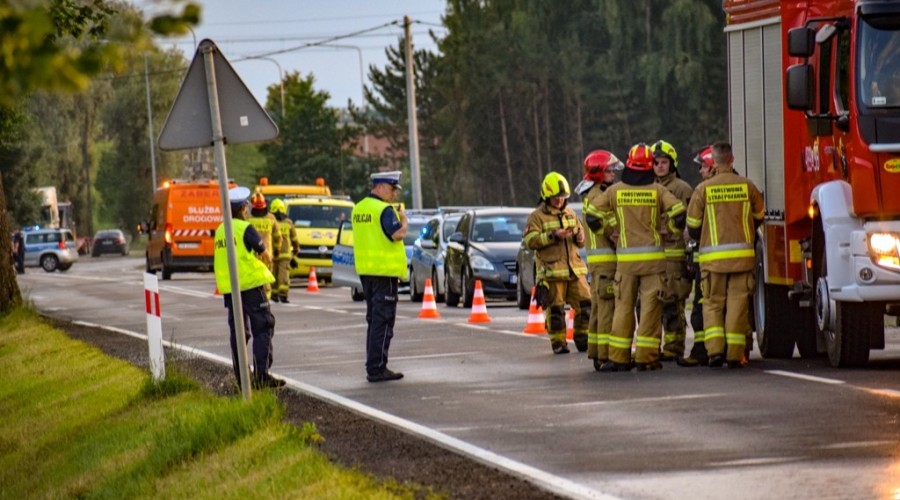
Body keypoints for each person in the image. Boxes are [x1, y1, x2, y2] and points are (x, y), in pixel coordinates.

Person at [590, 143, 686, 372]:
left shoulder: (615, 191)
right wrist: (669, 230)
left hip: (625, 264)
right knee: (651, 311)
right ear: (649, 166)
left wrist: (610, 230)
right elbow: (679, 213)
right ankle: (646, 358)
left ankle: (618, 359)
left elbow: (592, 214)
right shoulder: (658, 190)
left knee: (623, 310)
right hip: (654, 263)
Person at [686, 142, 765, 368]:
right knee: (738, 306)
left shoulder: (703, 189)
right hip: (742, 258)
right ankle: (734, 355)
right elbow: (760, 215)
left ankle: (715, 352)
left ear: (713, 161)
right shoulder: (746, 186)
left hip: (712, 262)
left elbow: (692, 226)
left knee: (713, 304)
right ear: (732, 160)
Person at [214, 186, 284, 389]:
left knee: (238, 332)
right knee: (263, 326)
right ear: (244, 208)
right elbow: (265, 253)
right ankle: (262, 376)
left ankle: (242, 378)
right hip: (251, 285)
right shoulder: (245, 228)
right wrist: (268, 263)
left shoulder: (220, 230)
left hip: (230, 288)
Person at [524, 172, 591, 355]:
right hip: (552, 273)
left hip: (575, 271)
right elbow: (530, 241)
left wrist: (579, 236)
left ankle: (583, 338)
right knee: (556, 311)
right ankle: (559, 343)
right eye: (556, 198)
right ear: (546, 196)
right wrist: (553, 236)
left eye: (563, 198)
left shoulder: (570, 213)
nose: (560, 201)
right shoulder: (536, 217)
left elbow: (582, 241)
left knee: (586, 304)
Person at [352, 170, 408, 383]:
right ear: (381, 186)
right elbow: (397, 234)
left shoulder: (359, 208)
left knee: (374, 320)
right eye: (393, 189)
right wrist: (403, 220)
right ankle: (377, 368)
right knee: (383, 322)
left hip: (367, 271)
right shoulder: (383, 209)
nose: (394, 194)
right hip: (384, 273)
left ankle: (373, 365)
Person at [578, 150, 622, 370]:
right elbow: (613, 229)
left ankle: (597, 352)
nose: (613, 173)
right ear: (598, 173)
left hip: (597, 264)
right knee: (608, 310)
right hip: (607, 263)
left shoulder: (591, 194)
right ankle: (606, 356)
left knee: (598, 309)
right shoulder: (599, 196)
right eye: (609, 170)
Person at [652, 140, 695, 363]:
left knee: (673, 304)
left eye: (664, 162)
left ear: (672, 164)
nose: (659, 166)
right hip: (654, 257)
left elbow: (690, 224)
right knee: (653, 305)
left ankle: (674, 347)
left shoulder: (682, 188)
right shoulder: (647, 187)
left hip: (675, 256)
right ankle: (656, 346)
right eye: (656, 163)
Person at [680, 145, 716, 367]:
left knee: (702, 307)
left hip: (707, 259)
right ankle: (732, 351)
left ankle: (702, 351)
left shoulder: (702, 191)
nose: (700, 171)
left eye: (703, 166)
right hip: (735, 259)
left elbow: (692, 228)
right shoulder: (740, 184)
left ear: (712, 168)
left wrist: (688, 238)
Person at [247, 192, 281, 298]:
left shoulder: (248, 219)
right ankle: (266, 300)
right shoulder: (271, 218)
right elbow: (278, 237)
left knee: (254, 279)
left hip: (252, 257)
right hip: (267, 254)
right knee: (266, 279)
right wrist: (277, 250)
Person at [270, 198, 300, 303]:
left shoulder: (271, 221)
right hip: (284, 254)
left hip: (273, 254)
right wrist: (296, 251)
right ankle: (282, 295)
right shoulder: (288, 222)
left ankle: (275, 295)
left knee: (273, 275)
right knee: (282, 276)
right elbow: (294, 239)